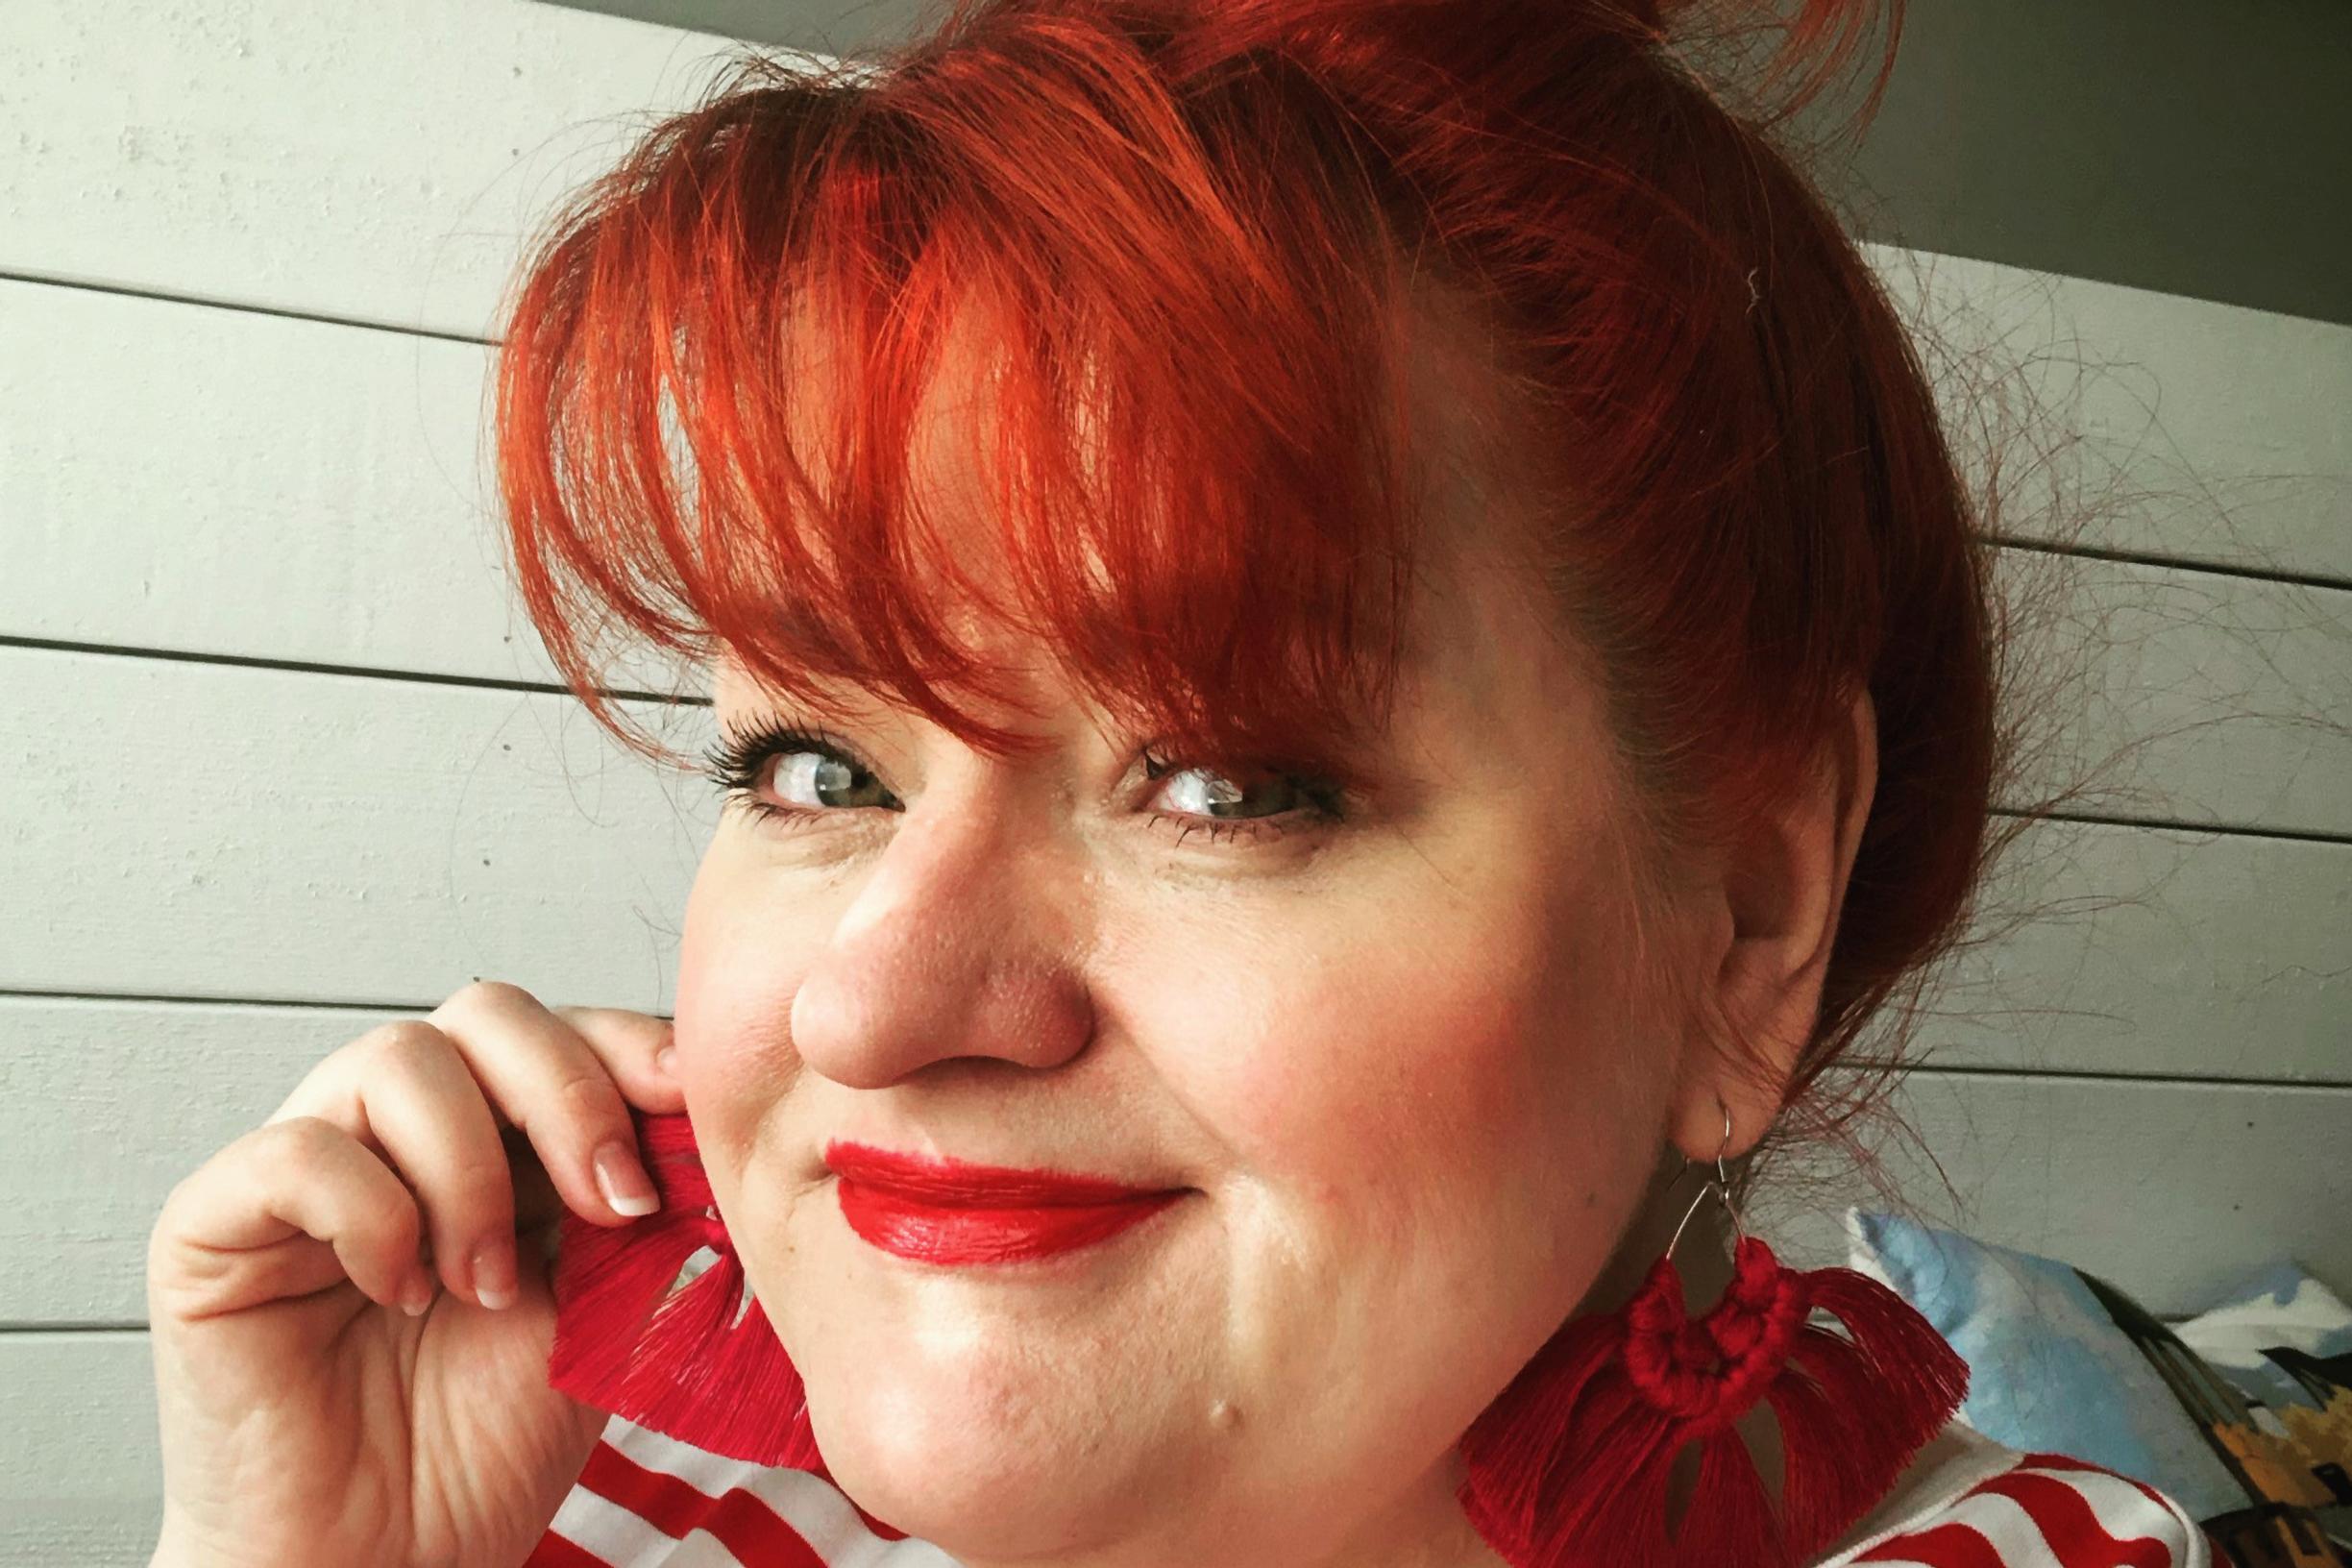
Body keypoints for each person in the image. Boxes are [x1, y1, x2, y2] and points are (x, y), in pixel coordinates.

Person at [144, 0, 2225, 1564]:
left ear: (1748, 920)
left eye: (1231, 785)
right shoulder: (586, 1510)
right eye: (818, 764)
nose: (870, 1005)